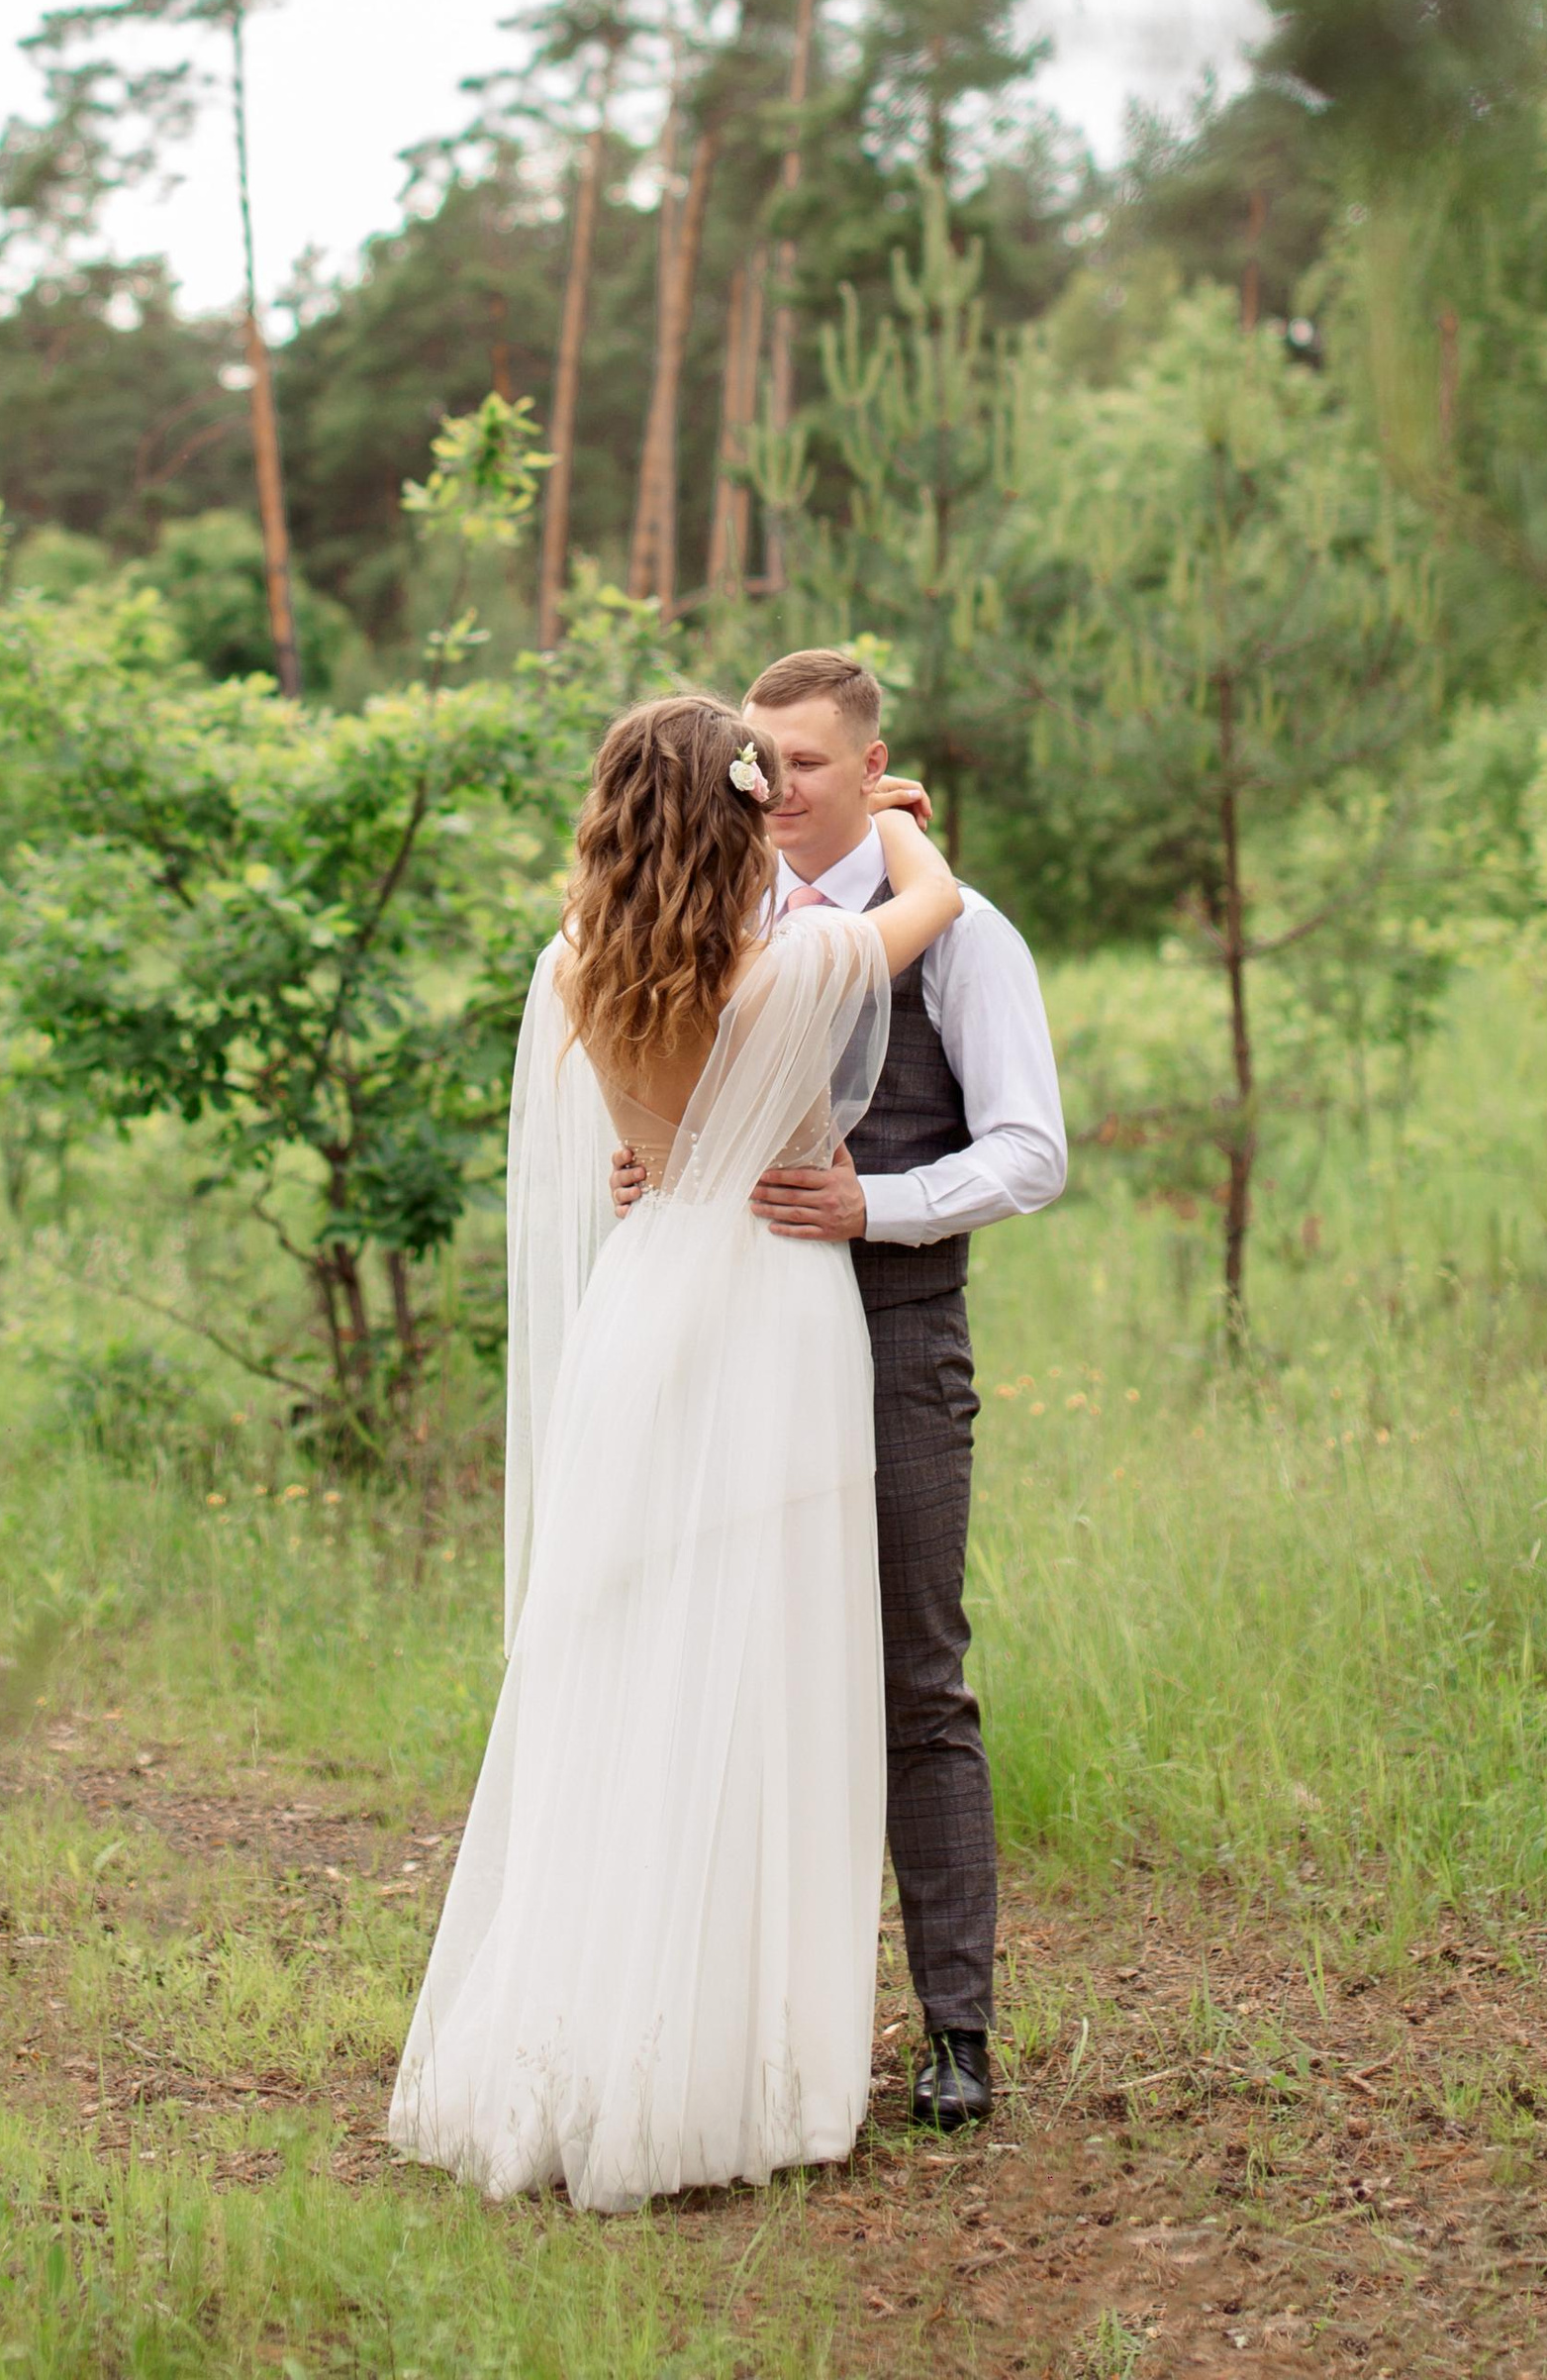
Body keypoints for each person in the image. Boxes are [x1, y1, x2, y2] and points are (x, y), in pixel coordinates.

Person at [388, 692, 965, 2210]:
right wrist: (895, 820)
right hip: (773, 1318)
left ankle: (589, 2033)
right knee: (764, 1674)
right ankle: (736, 2057)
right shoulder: (797, 967)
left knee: (633, 1668)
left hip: (640, 1319)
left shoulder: (573, 971)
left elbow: (625, 1161)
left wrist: (669, 1155)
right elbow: (938, 904)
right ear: (732, 812)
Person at [613, 648, 1065, 2134]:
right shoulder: (709, 915)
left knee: (915, 1686)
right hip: (728, 1357)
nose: (777, 787)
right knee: (734, 1678)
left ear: (876, 772)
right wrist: (656, 1162)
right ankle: (746, 2028)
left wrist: (879, 1207)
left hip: (891, 1347)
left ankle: (956, 2033)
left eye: (807, 764)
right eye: (759, 759)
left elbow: (1029, 1151)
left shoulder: (960, 936)